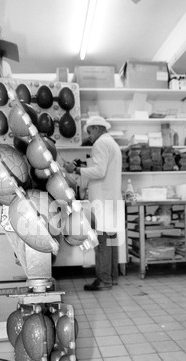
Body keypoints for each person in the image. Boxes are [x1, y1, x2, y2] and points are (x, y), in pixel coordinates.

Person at [65, 115, 123, 291]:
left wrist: (75, 169)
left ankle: (103, 280)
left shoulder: (100, 144)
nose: (89, 136)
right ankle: (112, 278)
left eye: (90, 131)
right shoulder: (112, 143)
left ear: (98, 128)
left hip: (103, 200)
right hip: (112, 198)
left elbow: (99, 171)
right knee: (111, 240)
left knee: (103, 241)